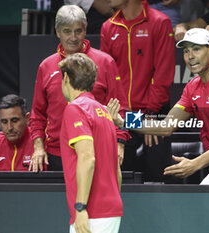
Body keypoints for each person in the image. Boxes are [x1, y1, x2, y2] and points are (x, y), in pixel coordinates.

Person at [108, 28, 209, 185]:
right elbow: (166, 125)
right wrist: (124, 121)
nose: (190, 56)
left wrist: (195, 164)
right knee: (198, 211)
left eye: (196, 49)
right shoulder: (193, 87)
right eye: (186, 51)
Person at [29, 5, 129, 172]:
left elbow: (123, 109)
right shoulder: (45, 66)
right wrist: (38, 147)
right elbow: (37, 114)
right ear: (57, 31)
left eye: (78, 31)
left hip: (98, 151)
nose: (73, 37)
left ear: (85, 29)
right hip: (56, 154)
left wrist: (120, 143)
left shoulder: (106, 62)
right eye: (67, 31)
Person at [101, 0, 175, 182]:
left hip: (153, 112)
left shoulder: (160, 22)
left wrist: (151, 112)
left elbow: (163, 74)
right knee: (122, 177)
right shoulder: (108, 27)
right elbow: (107, 78)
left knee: (160, 177)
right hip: (123, 115)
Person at [59, 53, 122, 233]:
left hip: (92, 212)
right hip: (110, 208)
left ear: (65, 78)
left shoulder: (75, 108)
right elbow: (116, 167)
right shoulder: (104, 112)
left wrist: (80, 207)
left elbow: (87, 158)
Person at [0, 94, 34, 171]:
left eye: (14, 120)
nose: (10, 127)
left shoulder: (41, 142)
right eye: (4, 122)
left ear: (27, 118)